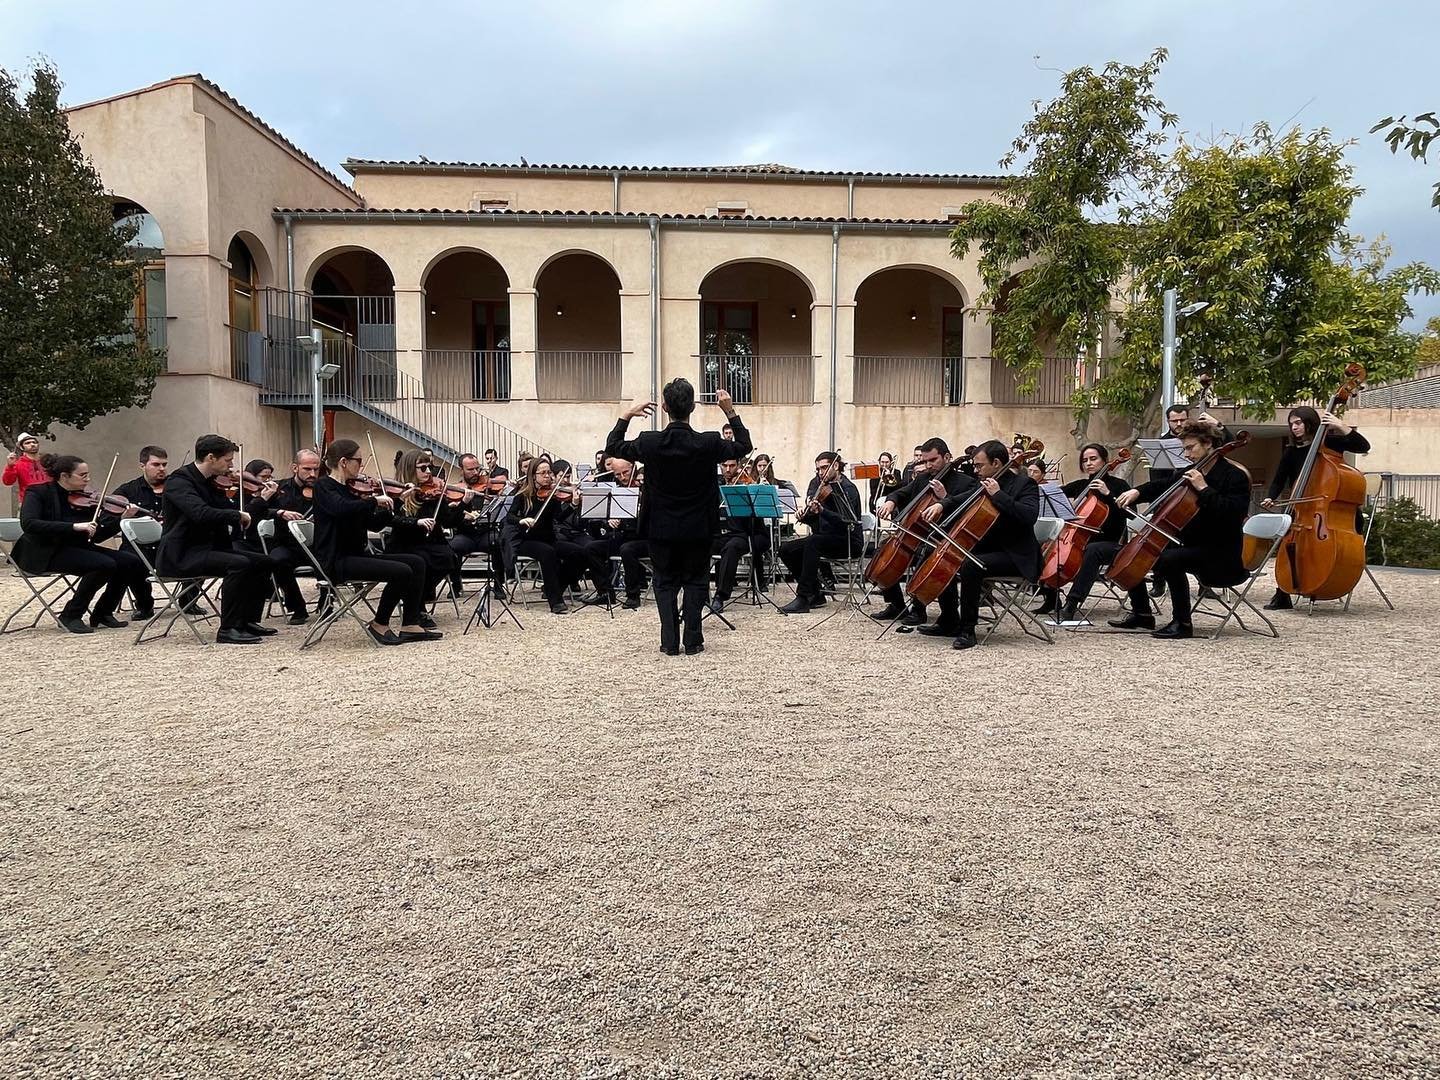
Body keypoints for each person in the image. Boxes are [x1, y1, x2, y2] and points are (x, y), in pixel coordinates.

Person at [605, 379, 750, 654]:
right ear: (693, 407)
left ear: (664, 407)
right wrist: (729, 411)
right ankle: (693, 641)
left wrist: (626, 415)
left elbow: (613, 447)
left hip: (661, 527)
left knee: (664, 581)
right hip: (699, 527)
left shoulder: (650, 442)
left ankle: (669, 642)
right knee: (696, 581)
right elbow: (744, 445)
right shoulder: (708, 442)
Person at [1113, 420, 1250, 639]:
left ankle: (1182, 623)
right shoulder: (1191, 471)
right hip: (1195, 547)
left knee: (1168, 559)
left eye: (1190, 448)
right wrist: (1137, 492)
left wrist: (1203, 488)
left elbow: (1232, 512)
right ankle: (1141, 612)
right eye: (1184, 448)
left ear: (1208, 443)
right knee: (1147, 553)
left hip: (1222, 554)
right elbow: (1163, 485)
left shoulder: (1235, 475)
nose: (1186, 454)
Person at [311, 439, 439, 645]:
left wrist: (395, 501)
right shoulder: (324, 486)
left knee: (416, 562)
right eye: (358, 461)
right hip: (336, 559)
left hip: (357, 555)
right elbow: (340, 508)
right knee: (401, 571)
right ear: (344, 462)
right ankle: (380, 623)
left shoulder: (352, 490)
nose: (361, 466)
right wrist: (372, 501)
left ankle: (410, 624)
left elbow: (375, 525)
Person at [916, 439, 1041, 651]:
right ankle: (948, 619)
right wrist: (941, 504)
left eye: (979, 465)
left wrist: (998, 495)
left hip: (1016, 555)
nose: (976, 470)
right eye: (975, 466)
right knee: (942, 552)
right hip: (989, 548)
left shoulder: (1024, 484)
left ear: (997, 463)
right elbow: (960, 499)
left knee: (971, 565)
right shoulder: (984, 483)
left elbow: (1029, 516)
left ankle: (967, 630)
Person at [157, 434, 278, 645]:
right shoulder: (179, 481)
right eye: (228, 460)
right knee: (239, 564)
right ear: (211, 458)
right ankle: (228, 628)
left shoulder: (213, 483)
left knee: (264, 561)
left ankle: (246, 620)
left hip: (210, 549)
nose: (231, 465)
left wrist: (259, 501)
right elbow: (200, 513)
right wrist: (236, 516)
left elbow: (234, 512)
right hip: (183, 554)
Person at [13, 454, 147, 634]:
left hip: (76, 548)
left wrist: (120, 519)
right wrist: (74, 526)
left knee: (130, 561)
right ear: (64, 476)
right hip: (45, 551)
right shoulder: (38, 492)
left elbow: (97, 536)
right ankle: (70, 615)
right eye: (82, 475)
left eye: (88, 474)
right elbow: (29, 524)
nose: (88, 479)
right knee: (103, 565)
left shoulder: (88, 500)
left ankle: (103, 612)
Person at [1260, 406, 1372, 610]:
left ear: (1310, 423)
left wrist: (1340, 425)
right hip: (1302, 509)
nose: (1294, 428)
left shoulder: (1331, 443)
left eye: (1298, 423)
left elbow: (1363, 446)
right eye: (1291, 424)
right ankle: (1283, 591)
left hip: (1331, 513)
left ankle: (1324, 580)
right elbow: (1279, 480)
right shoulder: (1291, 451)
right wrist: (1270, 497)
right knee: (1288, 540)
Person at [870, 438, 974, 628]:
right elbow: (901, 493)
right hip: (917, 534)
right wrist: (890, 501)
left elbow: (966, 513)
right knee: (884, 550)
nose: (928, 465)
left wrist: (944, 498)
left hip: (946, 540)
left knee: (928, 554)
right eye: (925, 461)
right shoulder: (923, 479)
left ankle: (921, 610)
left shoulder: (965, 482)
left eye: (933, 460)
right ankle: (897, 605)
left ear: (947, 457)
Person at [1044, 443, 1141, 627]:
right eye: (1085, 460)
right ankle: (1050, 598)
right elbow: (1053, 496)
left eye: (1093, 459)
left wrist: (1109, 494)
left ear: (1105, 461)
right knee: (1046, 546)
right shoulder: (1081, 486)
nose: (1088, 463)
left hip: (1111, 544)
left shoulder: (1119, 485)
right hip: (1080, 541)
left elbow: (1131, 514)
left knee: (1093, 550)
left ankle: (1071, 605)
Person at [778, 451, 863, 615]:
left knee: (813, 542)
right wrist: (805, 516)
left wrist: (823, 511)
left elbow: (847, 523)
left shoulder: (848, 489)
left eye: (824, 468)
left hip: (848, 540)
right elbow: (817, 522)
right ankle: (815, 593)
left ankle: (803, 598)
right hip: (826, 538)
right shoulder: (817, 484)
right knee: (786, 549)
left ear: (836, 466)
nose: (820, 473)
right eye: (818, 469)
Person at [506, 458, 593, 615]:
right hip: (527, 540)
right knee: (548, 553)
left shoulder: (552, 495)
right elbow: (509, 517)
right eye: (543, 473)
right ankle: (556, 602)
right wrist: (522, 520)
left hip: (549, 539)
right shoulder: (523, 494)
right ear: (533, 476)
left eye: (549, 473)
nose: (548, 476)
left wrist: (573, 504)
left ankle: (556, 586)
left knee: (580, 553)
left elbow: (559, 517)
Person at [385, 449, 459, 616]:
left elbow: (448, 521)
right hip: (405, 543)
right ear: (410, 469)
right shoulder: (398, 494)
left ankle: (420, 596)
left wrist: (462, 504)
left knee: (448, 558)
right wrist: (415, 521)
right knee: (421, 561)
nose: (428, 472)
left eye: (429, 467)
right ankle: (417, 607)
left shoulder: (433, 493)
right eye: (422, 468)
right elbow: (392, 520)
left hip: (429, 543)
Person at [253, 449, 321, 624]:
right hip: (287, 543)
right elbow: (256, 512)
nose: (312, 474)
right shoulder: (279, 488)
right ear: (295, 468)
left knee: (332, 553)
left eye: (316, 469)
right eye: (307, 469)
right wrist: (279, 512)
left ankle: (326, 603)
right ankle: (298, 607)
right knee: (277, 560)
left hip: (317, 545)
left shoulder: (324, 489)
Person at [106, 444, 170, 619]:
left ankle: (189, 600)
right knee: (129, 558)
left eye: (164, 464)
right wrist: (124, 517)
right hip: (140, 547)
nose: (162, 469)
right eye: (156, 465)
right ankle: (144, 605)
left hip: (169, 544)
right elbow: (107, 520)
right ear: (142, 466)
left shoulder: (176, 486)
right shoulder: (128, 490)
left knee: (201, 546)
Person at [710, 456, 771, 613]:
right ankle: (700, 594)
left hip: (746, 533)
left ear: (738, 466)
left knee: (732, 548)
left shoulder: (747, 485)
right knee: (699, 545)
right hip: (725, 534)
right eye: (725, 465)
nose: (728, 469)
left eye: (732, 466)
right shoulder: (716, 486)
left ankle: (720, 596)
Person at [4, 433, 46, 502]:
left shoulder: (47, 461)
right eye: (27, 443)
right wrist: (10, 466)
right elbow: (8, 482)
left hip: (50, 502)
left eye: (34, 442)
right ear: (21, 447)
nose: (32, 444)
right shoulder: (18, 464)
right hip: (29, 502)